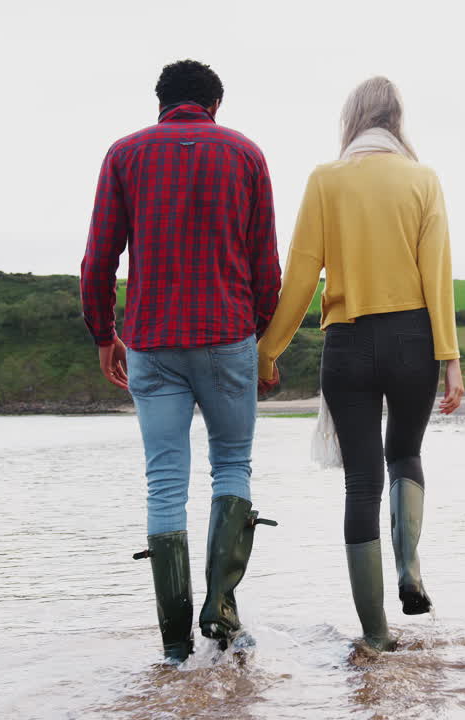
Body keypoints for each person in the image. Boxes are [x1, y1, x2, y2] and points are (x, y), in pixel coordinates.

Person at [79, 60, 281, 664]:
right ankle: (220, 612)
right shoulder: (245, 154)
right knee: (232, 466)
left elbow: (98, 261)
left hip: (151, 340)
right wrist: (263, 339)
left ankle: (173, 644)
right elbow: (265, 262)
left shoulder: (124, 155)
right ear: (215, 104)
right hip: (227, 335)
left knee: (164, 481)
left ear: (161, 101)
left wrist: (103, 335)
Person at [256, 76, 463, 651]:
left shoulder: (326, 180)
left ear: (353, 120)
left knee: (362, 484)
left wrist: (266, 353)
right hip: (413, 341)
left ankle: (374, 638)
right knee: (406, 454)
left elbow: (300, 276)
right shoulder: (423, 180)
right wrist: (449, 358)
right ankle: (409, 568)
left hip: (347, 346)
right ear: (397, 121)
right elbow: (436, 275)